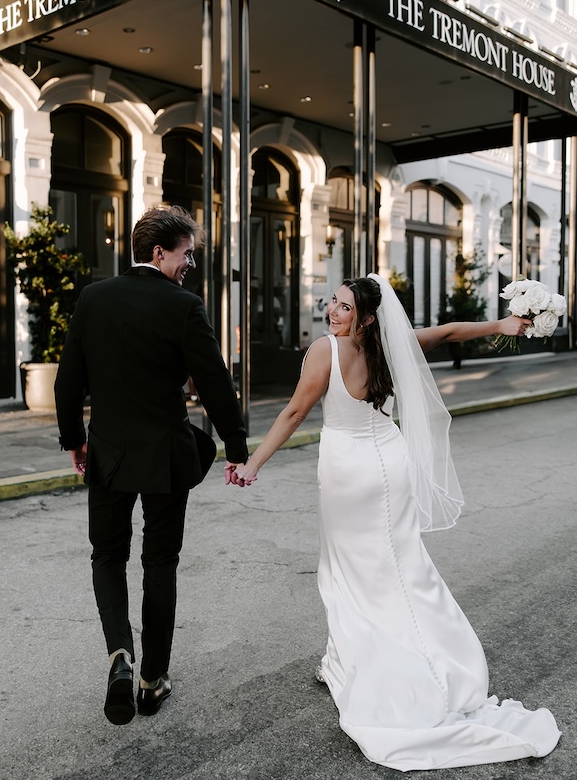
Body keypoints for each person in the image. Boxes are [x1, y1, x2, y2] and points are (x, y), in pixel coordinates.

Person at [226, 274, 561, 772]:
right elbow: (446, 333)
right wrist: (506, 323)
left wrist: (254, 463)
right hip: (389, 457)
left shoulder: (325, 350)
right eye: (331, 303)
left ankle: (381, 666)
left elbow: (296, 411)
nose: (331, 312)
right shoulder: (388, 342)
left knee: (352, 569)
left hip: (348, 470)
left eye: (342, 307)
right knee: (398, 565)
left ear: (363, 317)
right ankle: (386, 658)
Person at [55, 205, 248, 726]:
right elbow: (214, 383)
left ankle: (120, 654)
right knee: (160, 563)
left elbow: (68, 380)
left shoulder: (93, 299)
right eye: (186, 254)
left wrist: (74, 439)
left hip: (109, 454)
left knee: (107, 556)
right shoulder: (184, 306)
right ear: (159, 252)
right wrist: (235, 444)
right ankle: (152, 679)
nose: (189, 264)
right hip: (164, 455)